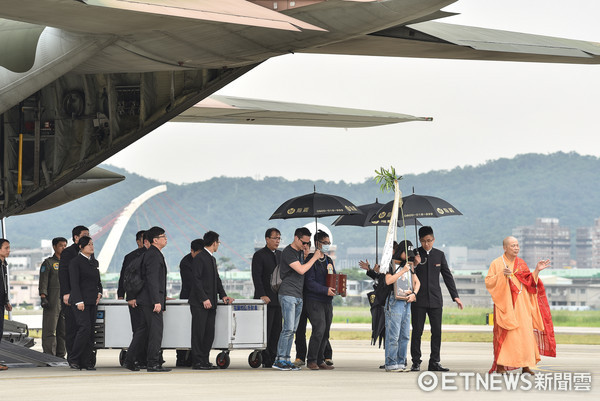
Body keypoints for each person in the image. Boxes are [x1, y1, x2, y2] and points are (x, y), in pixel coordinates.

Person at [485, 236, 556, 374]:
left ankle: (526, 365)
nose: (516, 248)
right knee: (506, 336)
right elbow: (489, 282)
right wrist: (501, 275)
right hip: (506, 306)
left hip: (523, 305)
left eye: (517, 245)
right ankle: (500, 366)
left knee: (525, 335)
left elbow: (529, 282)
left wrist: (536, 270)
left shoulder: (521, 263)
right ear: (505, 248)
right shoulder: (497, 263)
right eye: (513, 245)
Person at [410, 226, 463, 372]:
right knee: (417, 332)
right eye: (424, 241)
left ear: (434, 239)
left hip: (435, 300)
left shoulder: (439, 255)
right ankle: (416, 362)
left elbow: (447, 276)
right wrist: (414, 263)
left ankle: (434, 362)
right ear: (420, 241)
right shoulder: (414, 254)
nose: (427, 244)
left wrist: (455, 296)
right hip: (418, 300)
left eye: (429, 240)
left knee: (437, 332)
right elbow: (407, 275)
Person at [272, 227, 322, 371]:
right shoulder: (288, 252)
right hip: (288, 293)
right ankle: (280, 359)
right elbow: (301, 270)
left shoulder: (300, 252)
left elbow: (302, 268)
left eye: (308, 243)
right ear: (296, 238)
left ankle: (286, 360)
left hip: (298, 295)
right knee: (287, 328)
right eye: (304, 242)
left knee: (293, 329)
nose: (305, 245)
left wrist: (306, 256)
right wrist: (313, 258)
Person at [123, 226, 171, 372]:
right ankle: (153, 363)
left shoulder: (150, 253)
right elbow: (152, 279)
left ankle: (129, 360)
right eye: (163, 236)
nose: (166, 238)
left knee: (142, 330)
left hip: (145, 299)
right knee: (155, 332)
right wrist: (157, 301)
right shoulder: (154, 255)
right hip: (150, 301)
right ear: (155, 240)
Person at [189, 231, 234, 370]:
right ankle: (197, 361)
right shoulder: (200, 257)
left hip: (212, 302)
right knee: (199, 332)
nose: (218, 245)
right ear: (214, 242)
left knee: (209, 333)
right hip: (200, 303)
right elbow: (196, 280)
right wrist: (204, 298)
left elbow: (217, 280)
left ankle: (204, 360)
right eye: (218, 242)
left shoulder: (212, 259)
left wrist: (223, 295)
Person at [382, 240, 421, 372]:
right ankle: (391, 362)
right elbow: (388, 281)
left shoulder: (409, 265)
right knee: (393, 334)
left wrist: (414, 293)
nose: (409, 256)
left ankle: (401, 361)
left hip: (406, 301)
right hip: (394, 300)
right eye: (407, 253)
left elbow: (417, 282)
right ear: (401, 251)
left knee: (404, 334)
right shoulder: (392, 263)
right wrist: (402, 271)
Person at [68, 236, 102, 370]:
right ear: (81, 247)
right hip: (80, 301)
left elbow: (98, 281)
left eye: (92, 244)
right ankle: (74, 358)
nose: (92, 247)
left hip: (92, 300)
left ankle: (86, 361)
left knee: (90, 331)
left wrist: (99, 292)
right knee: (84, 329)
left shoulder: (93, 262)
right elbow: (74, 283)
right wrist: (78, 300)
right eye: (88, 245)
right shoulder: (75, 262)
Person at [304, 230, 336, 370]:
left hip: (327, 301)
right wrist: (324, 290)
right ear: (317, 243)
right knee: (319, 328)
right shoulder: (311, 259)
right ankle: (311, 360)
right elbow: (309, 282)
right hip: (314, 300)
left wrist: (339, 289)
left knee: (326, 331)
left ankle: (320, 359)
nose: (327, 245)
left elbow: (333, 278)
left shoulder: (328, 260)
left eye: (329, 243)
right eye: (325, 243)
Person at [251, 228, 282, 368]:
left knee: (277, 330)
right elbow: (256, 277)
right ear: (267, 239)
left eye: (279, 238)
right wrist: (262, 294)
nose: (277, 241)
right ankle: (265, 358)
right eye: (275, 238)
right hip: (265, 300)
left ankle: (275, 357)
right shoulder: (259, 255)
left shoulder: (281, 255)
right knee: (266, 330)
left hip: (279, 299)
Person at [117, 230, 148, 367]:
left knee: (147, 329)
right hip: (135, 298)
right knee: (139, 329)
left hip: (148, 298)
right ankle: (136, 358)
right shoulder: (130, 257)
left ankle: (147, 357)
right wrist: (121, 294)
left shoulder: (152, 254)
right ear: (138, 241)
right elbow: (125, 277)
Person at [58, 225, 90, 357]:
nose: (87, 237)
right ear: (76, 238)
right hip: (71, 296)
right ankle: (72, 356)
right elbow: (63, 274)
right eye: (84, 235)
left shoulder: (88, 252)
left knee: (84, 327)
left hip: (85, 295)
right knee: (71, 327)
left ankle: (84, 356)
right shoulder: (68, 252)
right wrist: (66, 293)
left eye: (88, 235)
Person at [38, 237, 68, 357]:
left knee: (63, 329)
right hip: (52, 299)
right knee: (50, 329)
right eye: (61, 245)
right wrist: (43, 296)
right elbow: (43, 281)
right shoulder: (48, 263)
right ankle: (49, 354)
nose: (64, 248)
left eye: (65, 245)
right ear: (54, 247)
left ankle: (61, 355)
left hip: (65, 300)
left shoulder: (68, 263)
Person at [176, 238, 203, 367]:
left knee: (197, 329)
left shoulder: (205, 260)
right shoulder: (185, 262)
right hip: (188, 298)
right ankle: (181, 358)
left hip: (202, 299)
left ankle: (194, 357)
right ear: (192, 251)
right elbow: (190, 282)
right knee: (184, 328)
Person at [0, 239, 14, 370]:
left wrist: (6, 301)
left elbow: (4, 286)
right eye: (6, 248)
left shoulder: (4, 264)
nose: (9, 250)